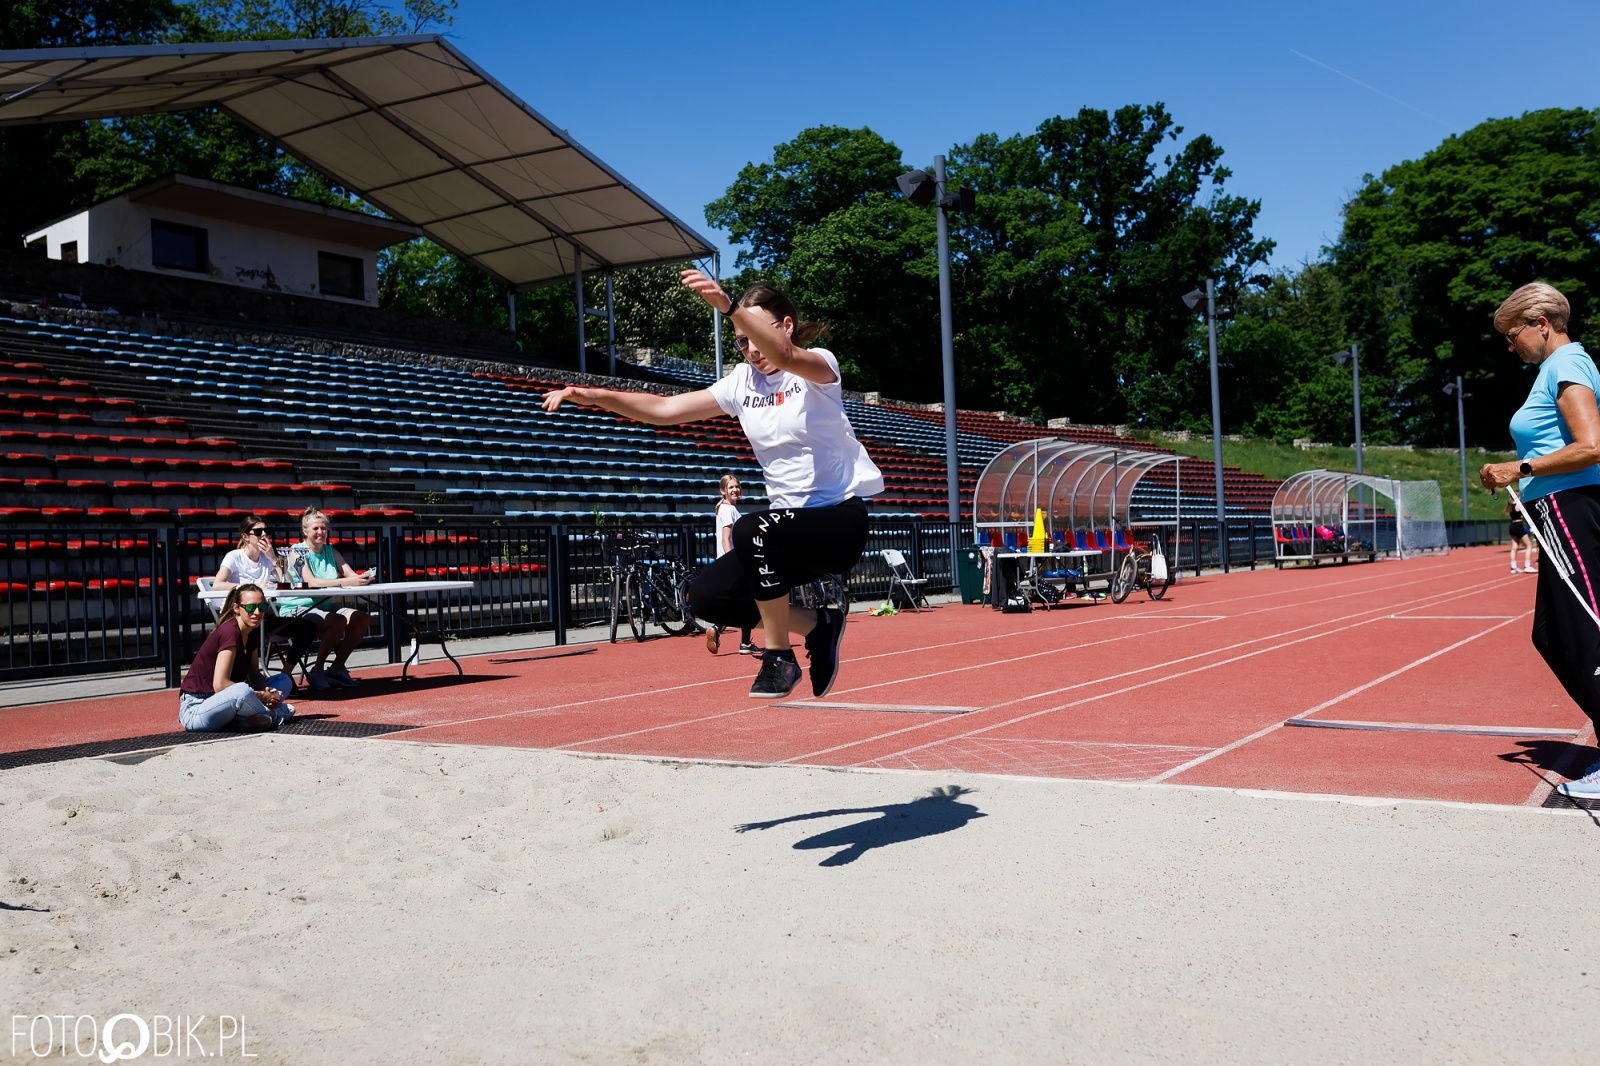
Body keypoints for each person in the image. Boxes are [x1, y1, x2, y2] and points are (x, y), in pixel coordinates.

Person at [542, 271, 884, 699]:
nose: (751, 349)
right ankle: (820, 625)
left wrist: (730, 307)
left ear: (786, 325)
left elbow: (783, 354)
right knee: (706, 598)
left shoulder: (818, 365)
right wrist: (598, 396)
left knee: (750, 529)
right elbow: (665, 409)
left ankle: (779, 656)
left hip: (838, 522)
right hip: (787, 532)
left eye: (756, 334)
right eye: (741, 341)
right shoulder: (743, 382)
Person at [1477, 282, 1600, 797]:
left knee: (1584, 632)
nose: (1511, 347)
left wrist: (1519, 467)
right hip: (1553, 509)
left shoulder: (1567, 363)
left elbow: (1591, 446)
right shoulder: (1553, 370)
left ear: (1541, 324)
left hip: (1571, 509)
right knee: (1550, 635)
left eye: (1512, 336)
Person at [179, 583, 295, 731]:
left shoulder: (252, 631)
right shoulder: (230, 632)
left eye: (262, 607)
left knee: (283, 680)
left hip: (229, 700)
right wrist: (260, 696)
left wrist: (268, 693)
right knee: (242, 690)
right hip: (198, 707)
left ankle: (240, 720)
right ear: (236, 608)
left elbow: (254, 674)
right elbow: (220, 684)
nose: (257, 612)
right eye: (250, 607)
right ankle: (275, 714)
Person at [211, 513, 317, 677]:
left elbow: (287, 584)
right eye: (258, 532)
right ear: (245, 536)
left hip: (261, 618)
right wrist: (251, 587)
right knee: (251, 633)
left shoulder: (266, 559)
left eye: (267, 531)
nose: (264, 535)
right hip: (239, 618)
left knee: (308, 628)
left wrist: (274, 559)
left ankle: (285, 675)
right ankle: (249, 677)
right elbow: (218, 584)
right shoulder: (234, 556)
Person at [287, 507, 373, 691]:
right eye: (316, 528)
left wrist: (363, 577)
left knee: (361, 618)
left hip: (325, 606)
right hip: (298, 608)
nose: (320, 532)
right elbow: (311, 582)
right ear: (305, 531)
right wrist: (349, 581)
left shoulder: (330, 550)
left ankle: (336, 668)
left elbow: (350, 574)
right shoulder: (296, 552)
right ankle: (317, 670)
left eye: (323, 528)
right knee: (337, 620)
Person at [705, 474, 757, 656]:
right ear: (723, 491)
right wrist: (732, 562)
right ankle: (742, 641)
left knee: (740, 601)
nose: (735, 490)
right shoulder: (728, 510)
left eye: (737, 486)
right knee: (749, 601)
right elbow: (725, 539)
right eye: (731, 487)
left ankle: (724, 631)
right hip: (734, 562)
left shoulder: (725, 509)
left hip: (730, 562)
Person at [1505, 498, 1538, 573]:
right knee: (1529, 545)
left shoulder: (1510, 506)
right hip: (1518, 526)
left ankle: (1513, 567)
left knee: (1514, 547)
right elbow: (1524, 513)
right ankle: (1527, 566)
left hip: (1512, 526)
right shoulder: (1517, 505)